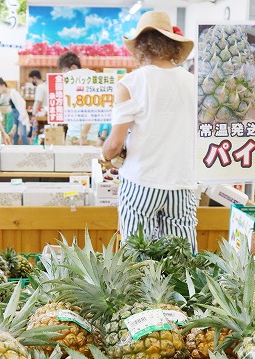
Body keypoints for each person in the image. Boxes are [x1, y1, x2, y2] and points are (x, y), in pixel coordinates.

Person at [101, 11, 198, 251]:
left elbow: (114, 144)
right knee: (182, 255)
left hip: (142, 180)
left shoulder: (131, 83)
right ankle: (187, 290)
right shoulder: (193, 82)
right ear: (172, 45)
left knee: (138, 253)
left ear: (141, 47)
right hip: (182, 181)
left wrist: (105, 156)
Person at [57, 52, 99, 146]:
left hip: (86, 138)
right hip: (72, 134)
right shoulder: (73, 86)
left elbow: (91, 113)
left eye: (64, 70)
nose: (63, 74)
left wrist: (83, 136)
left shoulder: (90, 81)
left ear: (73, 68)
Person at [0, 78, 29, 145]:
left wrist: (22, 115)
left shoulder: (13, 92)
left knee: (23, 134)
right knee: (14, 134)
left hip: (20, 113)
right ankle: (14, 149)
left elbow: (21, 104)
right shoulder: (3, 96)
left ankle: (28, 149)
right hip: (12, 114)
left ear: (3, 85)